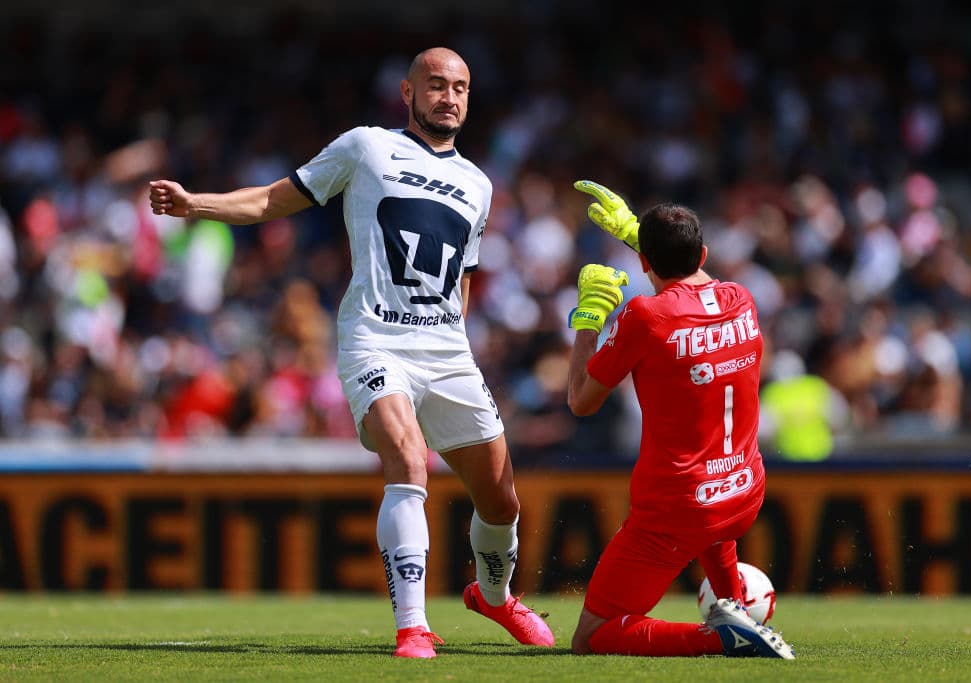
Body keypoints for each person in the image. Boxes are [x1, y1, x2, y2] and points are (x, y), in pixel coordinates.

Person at [149, 47, 553, 659]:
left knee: (501, 498)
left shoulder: (479, 184)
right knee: (408, 459)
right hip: (376, 340)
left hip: (447, 351)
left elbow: (463, 280)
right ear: (408, 93)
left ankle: (494, 598)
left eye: (460, 88)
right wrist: (194, 204)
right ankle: (413, 626)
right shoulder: (366, 146)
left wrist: (454, 345)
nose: (449, 97)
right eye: (436, 85)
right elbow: (272, 200)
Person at [564, 180, 795, 659]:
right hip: (743, 492)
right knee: (711, 522)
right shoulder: (741, 298)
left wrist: (588, 318)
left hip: (677, 507)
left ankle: (720, 637)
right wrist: (638, 234)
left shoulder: (645, 316)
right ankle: (733, 607)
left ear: (643, 263)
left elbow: (581, 401)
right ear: (703, 253)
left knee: (590, 637)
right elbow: (695, 280)